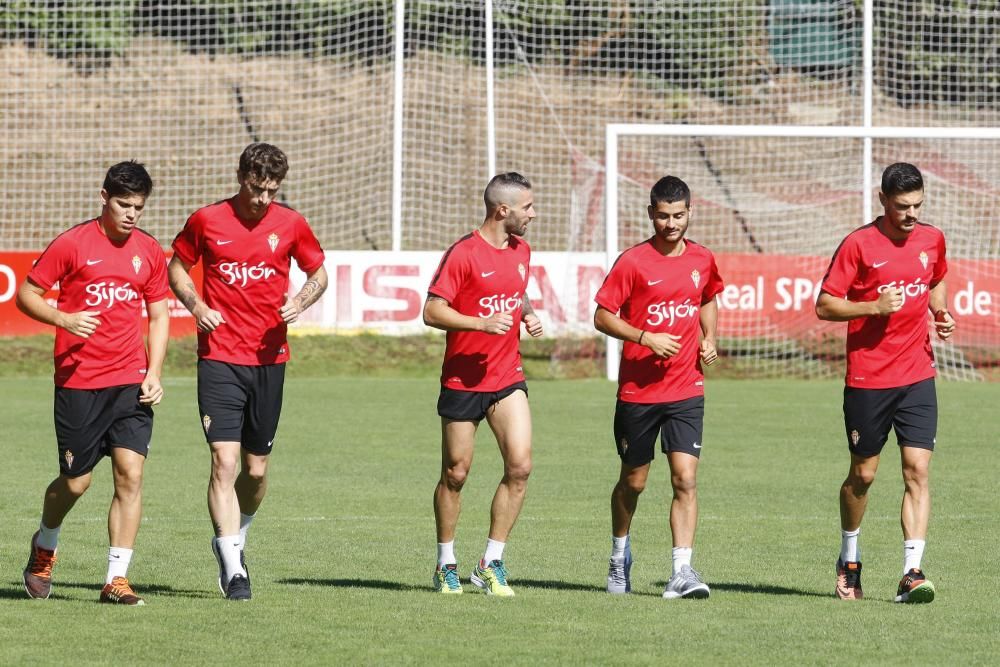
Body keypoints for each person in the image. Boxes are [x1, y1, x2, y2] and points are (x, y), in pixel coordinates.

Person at [169, 143, 328, 601]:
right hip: (219, 357)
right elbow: (177, 266)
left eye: (271, 191)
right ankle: (233, 566)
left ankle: (238, 536)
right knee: (225, 461)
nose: (262, 199)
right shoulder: (207, 220)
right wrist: (195, 305)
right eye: (255, 188)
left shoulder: (291, 223)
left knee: (255, 473)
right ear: (240, 176)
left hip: (269, 361)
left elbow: (319, 273)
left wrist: (301, 300)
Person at [17, 161, 169, 606]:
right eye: (123, 204)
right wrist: (63, 317)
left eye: (138, 207)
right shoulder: (73, 243)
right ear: (104, 198)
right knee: (76, 482)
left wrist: (154, 370)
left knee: (131, 475)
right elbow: (27, 293)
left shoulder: (149, 251)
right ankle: (44, 545)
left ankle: (116, 579)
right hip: (79, 383)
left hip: (130, 383)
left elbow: (159, 315)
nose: (131, 214)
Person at [816, 162, 954, 603]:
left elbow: (937, 278)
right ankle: (849, 559)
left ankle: (912, 571)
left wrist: (940, 312)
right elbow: (824, 305)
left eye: (917, 205)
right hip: (869, 378)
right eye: (901, 206)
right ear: (883, 200)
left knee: (918, 470)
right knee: (864, 474)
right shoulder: (859, 244)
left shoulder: (931, 239)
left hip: (918, 374)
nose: (911, 213)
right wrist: (873, 307)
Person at [593, 175, 723, 599]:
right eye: (664, 216)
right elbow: (602, 316)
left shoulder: (702, 259)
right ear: (651, 214)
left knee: (685, 479)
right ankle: (619, 554)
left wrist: (709, 338)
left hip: (686, 389)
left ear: (690, 212)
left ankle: (681, 571)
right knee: (634, 480)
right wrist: (645, 337)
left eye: (679, 215)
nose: (671, 224)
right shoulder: (633, 262)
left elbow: (706, 298)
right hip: (639, 393)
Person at [423, 172, 543, 596]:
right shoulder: (463, 253)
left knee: (521, 466)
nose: (533, 213)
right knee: (455, 474)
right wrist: (479, 322)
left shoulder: (522, 250)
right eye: (527, 207)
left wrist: (526, 311)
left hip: (507, 377)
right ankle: (445, 563)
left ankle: (491, 562)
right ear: (502, 210)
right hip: (462, 381)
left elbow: (517, 288)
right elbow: (432, 311)